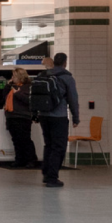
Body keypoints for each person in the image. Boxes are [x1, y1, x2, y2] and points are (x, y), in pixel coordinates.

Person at [38, 51, 79, 189]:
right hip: (59, 117)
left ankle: (46, 173)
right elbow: (73, 99)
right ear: (65, 63)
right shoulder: (67, 78)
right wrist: (76, 117)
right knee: (59, 147)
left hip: (43, 116)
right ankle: (52, 178)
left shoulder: (43, 75)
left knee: (48, 145)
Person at [4, 69, 37, 168]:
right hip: (12, 116)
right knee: (16, 140)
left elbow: (29, 101)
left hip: (23, 117)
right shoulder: (12, 87)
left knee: (25, 139)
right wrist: (7, 85)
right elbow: (4, 97)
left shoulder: (28, 87)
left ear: (20, 76)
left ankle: (31, 160)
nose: (12, 78)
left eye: (14, 76)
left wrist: (17, 93)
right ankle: (19, 159)